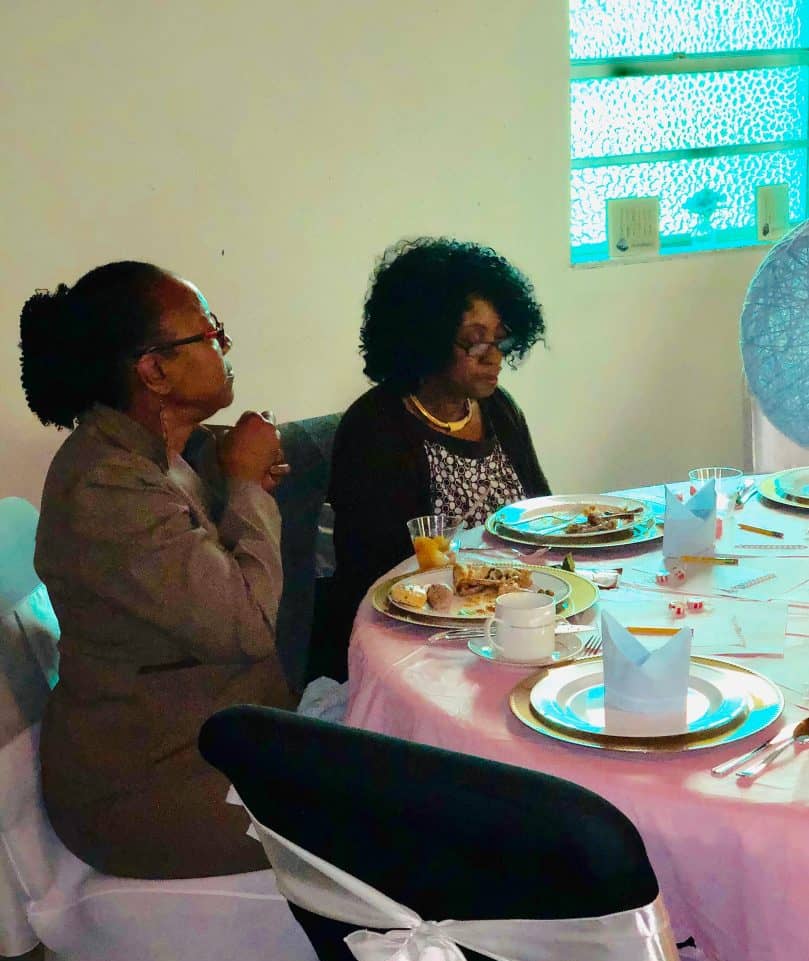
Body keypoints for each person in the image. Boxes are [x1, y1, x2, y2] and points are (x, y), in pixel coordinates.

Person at [19, 261, 294, 879]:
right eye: (211, 332)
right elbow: (248, 626)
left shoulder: (148, 454)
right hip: (146, 786)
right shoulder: (105, 485)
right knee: (388, 824)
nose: (225, 345)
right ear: (155, 371)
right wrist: (248, 487)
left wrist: (232, 477)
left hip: (208, 737)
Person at [324, 237, 551, 679]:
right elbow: (386, 582)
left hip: (505, 624)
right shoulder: (375, 428)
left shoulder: (499, 409)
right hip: (419, 647)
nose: (494, 357)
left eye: (500, 339)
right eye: (475, 343)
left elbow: (538, 518)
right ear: (425, 341)